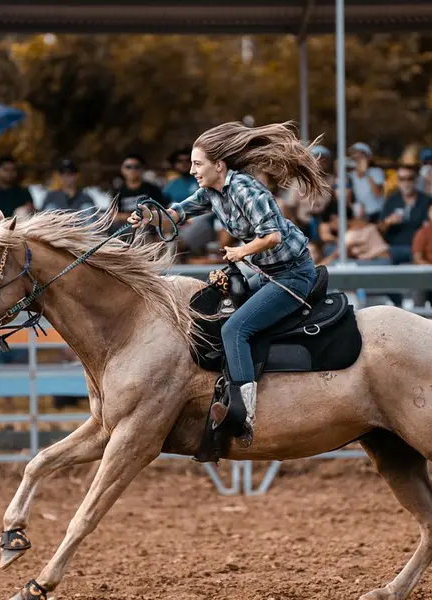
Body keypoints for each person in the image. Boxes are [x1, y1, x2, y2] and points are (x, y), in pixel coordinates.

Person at [128, 121, 329, 445]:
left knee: (235, 329)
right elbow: (178, 214)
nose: (192, 170)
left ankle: (243, 413)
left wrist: (241, 251)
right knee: (217, 312)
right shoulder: (212, 192)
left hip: (292, 274)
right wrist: (150, 217)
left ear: (218, 166)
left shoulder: (246, 190)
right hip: (266, 272)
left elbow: (273, 235)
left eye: (198, 164)